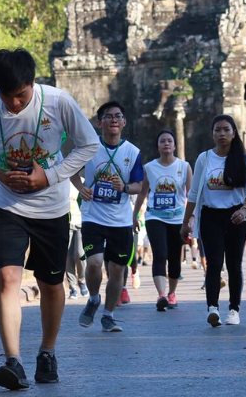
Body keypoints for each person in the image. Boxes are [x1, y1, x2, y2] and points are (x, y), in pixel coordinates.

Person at [0, 48, 101, 389]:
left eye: (21, 97)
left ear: (33, 83)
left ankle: (47, 352)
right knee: (8, 279)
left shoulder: (58, 102)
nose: (14, 105)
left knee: (50, 283)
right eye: (6, 98)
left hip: (51, 208)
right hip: (6, 205)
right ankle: (14, 361)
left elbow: (88, 145)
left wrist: (50, 176)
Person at [73, 102, 142, 333]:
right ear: (98, 122)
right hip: (93, 216)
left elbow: (139, 186)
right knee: (93, 264)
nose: (114, 120)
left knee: (116, 271)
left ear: (123, 122)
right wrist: (81, 188)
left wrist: (124, 187)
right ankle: (93, 298)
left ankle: (109, 316)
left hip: (120, 220)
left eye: (118, 116)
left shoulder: (132, 152)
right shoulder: (89, 148)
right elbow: (71, 171)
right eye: (108, 116)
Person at [182, 115, 246, 327]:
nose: (222, 134)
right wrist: (185, 223)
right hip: (210, 216)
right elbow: (194, 193)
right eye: (218, 130)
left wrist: (244, 210)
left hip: (236, 216)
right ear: (212, 133)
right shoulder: (204, 158)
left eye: (226, 130)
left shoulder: (242, 159)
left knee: (234, 265)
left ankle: (234, 309)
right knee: (214, 263)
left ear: (234, 133)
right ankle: (212, 308)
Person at [137, 130, 191, 311]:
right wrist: (135, 214)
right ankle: (161, 295)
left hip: (177, 218)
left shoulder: (184, 167)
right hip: (155, 217)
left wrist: (190, 218)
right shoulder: (149, 167)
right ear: (158, 146)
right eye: (162, 141)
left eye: (169, 141)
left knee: (175, 257)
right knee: (160, 254)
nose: (166, 144)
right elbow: (143, 192)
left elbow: (190, 195)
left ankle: (172, 293)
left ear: (174, 146)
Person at [64, 181, 86, 300]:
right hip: (66, 222)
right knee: (68, 255)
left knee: (80, 253)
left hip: (80, 221)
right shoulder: (61, 180)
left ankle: (82, 280)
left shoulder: (81, 181)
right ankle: (72, 287)